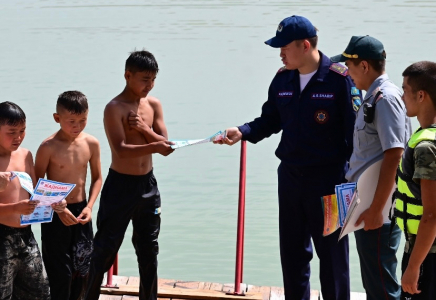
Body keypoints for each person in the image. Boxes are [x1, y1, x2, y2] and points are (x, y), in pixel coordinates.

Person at [215, 15, 359, 300]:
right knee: (293, 255)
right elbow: (270, 120)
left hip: (329, 183)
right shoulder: (283, 79)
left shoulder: (340, 79)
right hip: (291, 180)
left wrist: (356, 183)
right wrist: (242, 132)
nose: (280, 53)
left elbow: (356, 135)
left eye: (284, 47)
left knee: (333, 259)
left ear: (305, 45)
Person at [84, 50, 174, 300]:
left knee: (149, 250)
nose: (150, 85)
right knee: (104, 249)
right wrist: (155, 144)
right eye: (145, 79)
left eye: (153, 79)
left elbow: (166, 148)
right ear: (127, 75)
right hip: (121, 186)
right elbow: (121, 151)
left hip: (148, 186)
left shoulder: (154, 104)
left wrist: (145, 129)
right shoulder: (115, 108)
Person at [331, 36, 411, 300]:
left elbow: (394, 155)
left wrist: (377, 210)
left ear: (364, 66)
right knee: (375, 285)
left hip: (380, 213)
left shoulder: (385, 99)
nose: (348, 73)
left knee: (383, 289)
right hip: (366, 207)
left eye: (350, 67)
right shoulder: (372, 97)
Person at [34, 91, 103, 300]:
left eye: (83, 120)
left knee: (82, 270)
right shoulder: (48, 146)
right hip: (55, 213)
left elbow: (98, 178)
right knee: (60, 273)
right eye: (71, 121)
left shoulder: (91, 143)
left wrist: (89, 207)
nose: (77, 126)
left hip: (81, 212)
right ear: (57, 118)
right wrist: (58, 207)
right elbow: (37, 183)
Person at [0, 101, 51, 300]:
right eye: (11, 132)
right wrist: (16, 207)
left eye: (22, 131)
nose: (18, 137)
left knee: (40, 292)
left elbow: (36, 192)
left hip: (26, 235)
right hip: (2, 237)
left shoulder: (25, 154)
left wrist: (55, 202)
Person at [394, 61, 436, 300]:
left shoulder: (425, 147)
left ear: (421, 95)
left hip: (428, 256)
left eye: (405, 90)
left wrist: (413, 267)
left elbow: (431, 215)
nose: (401, 96)